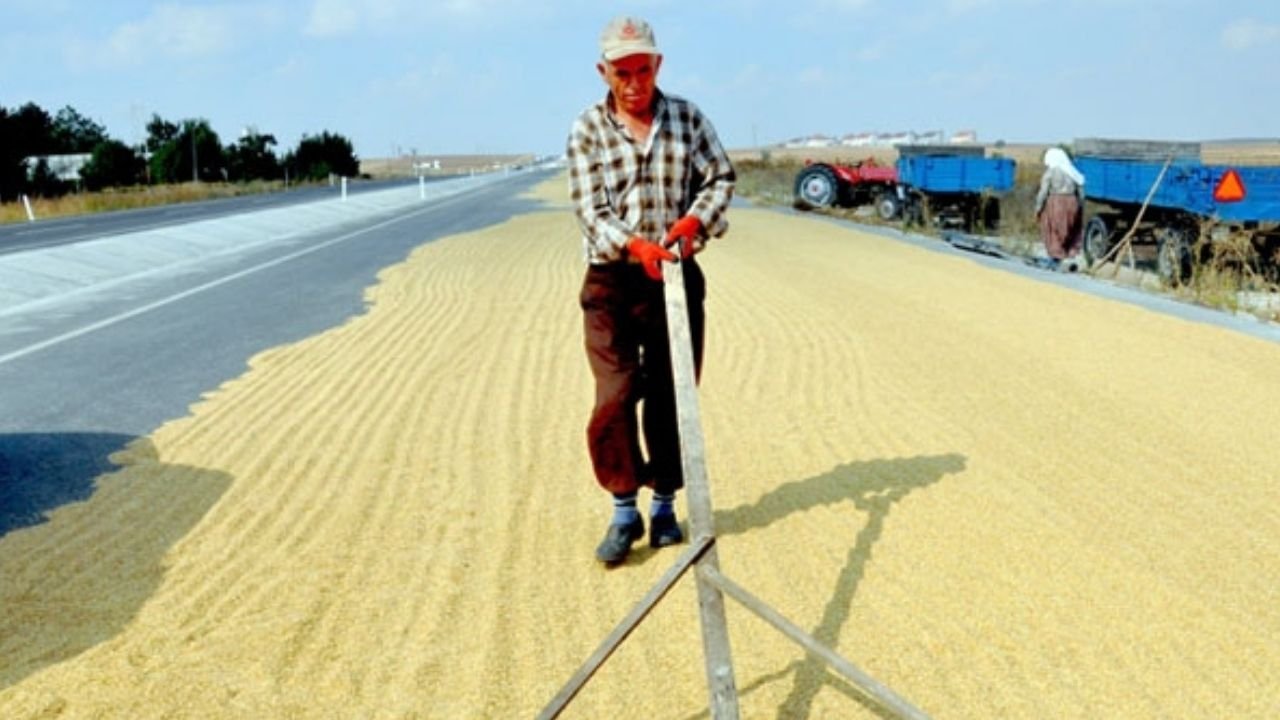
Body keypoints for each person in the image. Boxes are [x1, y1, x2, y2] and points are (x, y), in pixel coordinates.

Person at [566, 15, 735, 565]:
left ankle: (663, 507)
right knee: (614, 394)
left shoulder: (687, 119)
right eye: (623, 72)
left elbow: (721, 179)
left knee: (670, 391)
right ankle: (623, 510)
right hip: (613, 280)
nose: (634, 83)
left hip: (676, 276)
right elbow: (592, 211)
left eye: (643, 69)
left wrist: (693, 223)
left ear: (657, 65)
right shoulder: (587, 130)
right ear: (604, 71)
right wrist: (636, 246)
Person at [1035, 147, 1086, 270]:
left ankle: (1056, 257)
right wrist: (1080, 207)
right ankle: (1070, 254)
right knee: (1070, 228)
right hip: (1072, 201)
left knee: (1054, 229)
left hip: (1056, 201)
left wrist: (1038, 207)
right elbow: (1082, 193)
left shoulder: (1051, 172)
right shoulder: (1073, 172)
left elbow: (1043, 192)